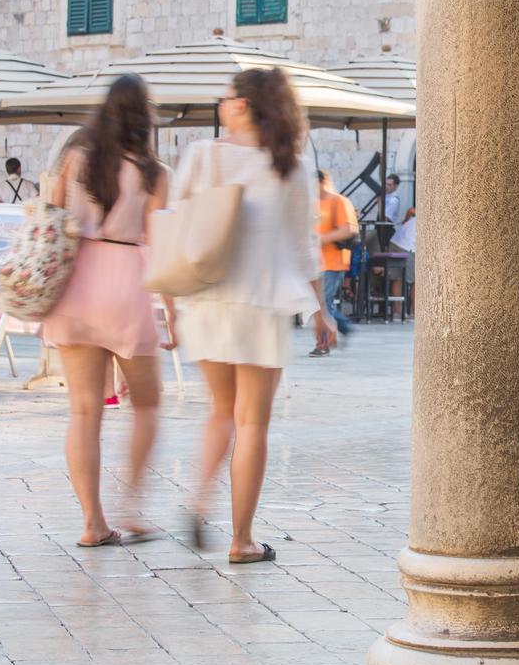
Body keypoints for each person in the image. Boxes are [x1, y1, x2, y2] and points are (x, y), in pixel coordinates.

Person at [178, 67, 336, 563]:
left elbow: (174, 219)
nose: (221, 105)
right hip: (263, 300)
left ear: (242, 105)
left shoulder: (203, 155)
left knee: (220, 411)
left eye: (224, 98)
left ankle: (199, 500)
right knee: (253, 423)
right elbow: (303, 246)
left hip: (206, 297)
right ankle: (241, 539)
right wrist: (320, 311)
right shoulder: (290, 164)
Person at [44, 74, 174, 547]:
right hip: (124, 281)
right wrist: (172, 313)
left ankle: (93, 522)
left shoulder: (75, 159)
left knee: (84, 411)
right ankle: (132, 507)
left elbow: (50, 217)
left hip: (75, 279)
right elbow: (163, 249)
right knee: (148, 406)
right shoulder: (155, 172)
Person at [312, 168, 358, 356]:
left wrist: (320, 238)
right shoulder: (314, 203)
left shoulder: (338, 201)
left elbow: (349, 229)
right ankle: (343, 327)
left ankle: (323, 344)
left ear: (321, 182)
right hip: (316, 261)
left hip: (332, 261)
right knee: (319, 302)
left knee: (323, 302)